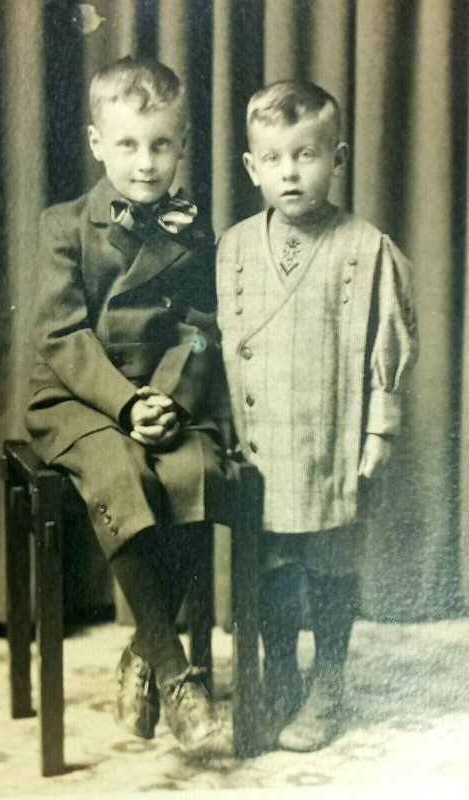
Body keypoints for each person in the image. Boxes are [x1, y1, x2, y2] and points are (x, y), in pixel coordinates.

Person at [24, 56, 231, 754]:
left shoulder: (192, 229)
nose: (146, 164)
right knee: (122, 474)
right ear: (96, 144)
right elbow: (61, 336)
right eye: (128, 145)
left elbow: (202, 328)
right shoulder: (63, 226)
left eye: (161, 144)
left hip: (166, 393)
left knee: (193, 470)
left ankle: (142, 652)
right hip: (81, 397)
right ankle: (176, 675)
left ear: (181, 144)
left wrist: (167, 396)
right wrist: (124, 402)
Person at [216, 80, 418, 752]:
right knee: (273, 564)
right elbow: (218, 342)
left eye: (306, 155)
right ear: (252, 167)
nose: (291, 172)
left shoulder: (366, 247)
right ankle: (282, 671)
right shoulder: (236, 248)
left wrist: (380, 428)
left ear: (338, 157)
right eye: (274, 159)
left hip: (333, 441)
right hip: (262, 443)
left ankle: (328, 679)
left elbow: (388, 345)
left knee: (330, 562)